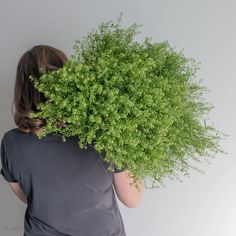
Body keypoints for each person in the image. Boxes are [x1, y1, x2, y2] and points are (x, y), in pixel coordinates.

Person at [0, 45, 144, 236]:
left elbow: (29, 198)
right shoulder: (103, 132)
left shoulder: (11, 143)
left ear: (21, 90)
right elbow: (133, 199)